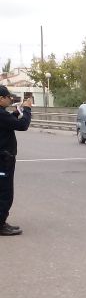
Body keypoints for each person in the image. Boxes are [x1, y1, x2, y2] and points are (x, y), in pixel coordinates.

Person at [0, 85, 31, 236]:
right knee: (5, 193)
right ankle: (0, 225)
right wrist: (27, 110)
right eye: (8, 97)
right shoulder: (1, 114)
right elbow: (22, 125)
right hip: (3, 159)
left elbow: (8, 122)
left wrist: (16, 112)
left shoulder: (3, 115)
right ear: (1, 98)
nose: (10, 99)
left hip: (3, 158)